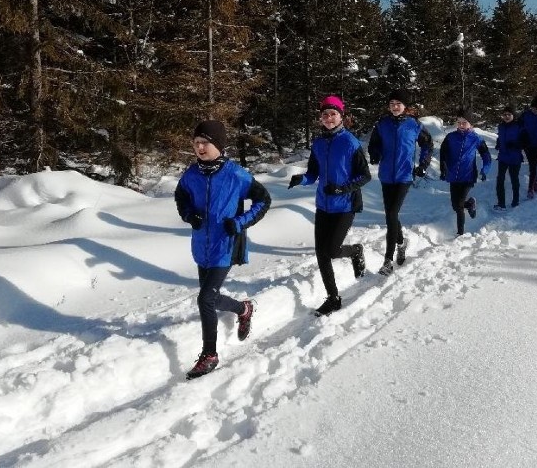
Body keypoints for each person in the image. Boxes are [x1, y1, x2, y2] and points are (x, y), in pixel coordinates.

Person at [175, 120, 271, 380]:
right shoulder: (192, 174)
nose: (200, 148)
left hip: (225, 246)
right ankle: (243, 309)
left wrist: (239, 222)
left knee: (205, 298)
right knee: (212, 298)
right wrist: (188, 214)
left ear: (218, 145)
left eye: (205, 143)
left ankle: (210, 354)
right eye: (196, 143)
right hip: (201, 246)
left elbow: (264, 200)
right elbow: (181, 196)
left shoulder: (235, 174)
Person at [288, 95, 371, 316]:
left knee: (332, 250)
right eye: (325, 114)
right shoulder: (318, 143)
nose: (328, 118)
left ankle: (355, 251)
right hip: (323, 204)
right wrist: (302, 180)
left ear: (341, 116)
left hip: (345, 204)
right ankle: (333, 298)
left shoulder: (350, 142)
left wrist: (342, 188)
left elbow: (365, 176)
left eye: (333, 114)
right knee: (320, 253)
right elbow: (314, 173)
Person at [368, 88, 433, 276]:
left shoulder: (414, 125)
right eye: (392, 104)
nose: (395, 107)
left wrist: (423, 165)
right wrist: (375, 154)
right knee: (391, 214)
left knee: (391, 213)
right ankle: (401, 243)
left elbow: (427, 144)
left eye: (398, 104)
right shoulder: (382, 124)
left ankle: (387, 260)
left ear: (405, 106)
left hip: (404, 176)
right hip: (386, 175)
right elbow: (374, 144)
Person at [439, 108, 492, 235]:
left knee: (458, 205)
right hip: (453, 176)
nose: (461, 125)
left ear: (471, 124)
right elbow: (443, 153)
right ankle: (470, 203)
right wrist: (443, 167)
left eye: (464, 123)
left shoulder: (476, 138)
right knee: (455, 205)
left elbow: (486, 156)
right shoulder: (450, 137)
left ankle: (460, 233)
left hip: (468, 176)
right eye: (459, 122)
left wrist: (485, 170)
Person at [494, 105, 524, 210]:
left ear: (513, 115)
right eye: (504, 114)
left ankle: (515, 201)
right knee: (500, 180)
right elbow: (500, 137)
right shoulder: (501, 126)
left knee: (514, 179)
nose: (506, 116)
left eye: (509, 114)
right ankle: (501, 203)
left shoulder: (518, 126)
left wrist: (515, 145)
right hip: (503, 157)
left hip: (515, 157)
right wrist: (498, 143)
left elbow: (525, 141)